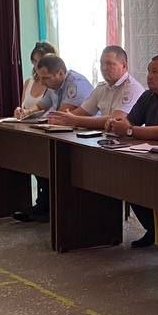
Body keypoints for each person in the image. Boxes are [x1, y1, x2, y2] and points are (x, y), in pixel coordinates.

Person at [106, 54, 158, 247]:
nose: (150, 76)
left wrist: (129, 130)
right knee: (126, 180)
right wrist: (117, 123)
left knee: (142, 183)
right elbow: (130, 121)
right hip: (150, 153)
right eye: (149, 72)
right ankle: (153, 230)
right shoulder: (148, 95)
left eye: (156, 72)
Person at [12, 54, 94, 223]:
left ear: (60, 73)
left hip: (83, 136)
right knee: (37, 159)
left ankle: (51, 207)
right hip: (63, 133)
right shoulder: (54, 84)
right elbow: (43, 103)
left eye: (46, 78)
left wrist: (42, 118)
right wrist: (26, 112)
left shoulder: (75, 83)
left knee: (47, 160)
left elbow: (62, 115)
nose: (42, 83)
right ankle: (45, 204)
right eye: (41, 78)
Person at [50, 45, 144, 130]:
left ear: (124, 66)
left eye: (109, 64)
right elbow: (82, 112)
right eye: (102, 64)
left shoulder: (132, 88)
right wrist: (60, 118)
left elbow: (116, 119)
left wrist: (75, 120)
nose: (104, 68)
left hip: (128, 140)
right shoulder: (101, 88)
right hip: (106, 138)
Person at [19, 41, 57, 114]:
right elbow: (23, 109)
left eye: (40, 62)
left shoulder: (55, 84)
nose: (37, 66)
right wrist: (20, 112)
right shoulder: (28, 83)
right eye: (35, 61)